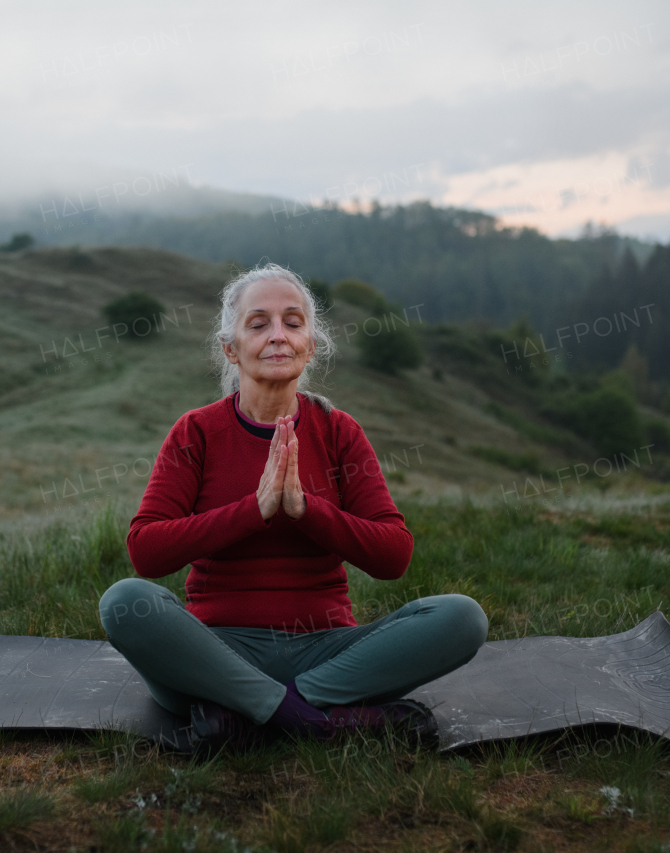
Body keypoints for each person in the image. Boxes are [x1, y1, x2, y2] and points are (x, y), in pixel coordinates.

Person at [98, 263, 488, 750]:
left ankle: (254, 713)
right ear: (230, 347)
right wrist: (253, 510)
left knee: (461, 617)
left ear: (311, 345)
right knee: (124, 603)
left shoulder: (339, 431)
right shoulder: (195, 432)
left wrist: (307, 512)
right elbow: (147, 552)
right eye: (258, 324)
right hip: (217, 653)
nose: (278, 336)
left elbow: (394, 556)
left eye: (293, 322)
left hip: (327, 653)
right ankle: (318, 721)